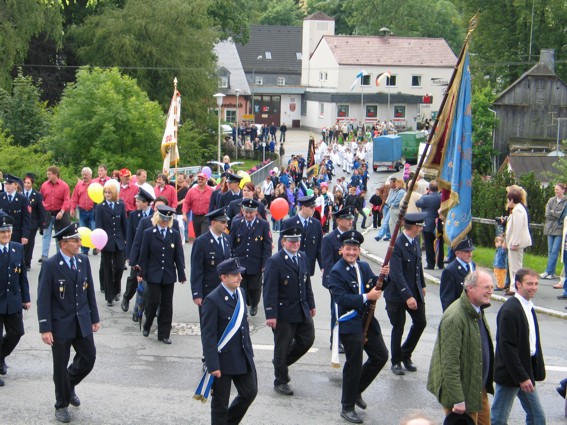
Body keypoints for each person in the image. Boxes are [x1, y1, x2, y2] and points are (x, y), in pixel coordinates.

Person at [37, 222, 100, 423]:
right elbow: (43, 298)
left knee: (89, 357)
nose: (80, 243)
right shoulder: (51, 265)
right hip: (60, 325)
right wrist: (45, 327)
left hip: (81, 320)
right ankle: (61, 404)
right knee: (60, 365)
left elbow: (89, 290)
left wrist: (94, 317)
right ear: (64, 244)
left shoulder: (82, 261)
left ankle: (68, 383)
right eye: (76, 240)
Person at [327, 230, 390, 424]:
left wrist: (384, 277)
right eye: (348, 249)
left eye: (355, 249)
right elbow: (342, 299)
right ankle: (347, 406)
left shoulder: (363, 266)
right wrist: (366, 297)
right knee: (354, 363)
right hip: (349, 320)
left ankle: (356, 390)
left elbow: (375, 286)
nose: (352, 252)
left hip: (366, 319)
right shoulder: (336, 272)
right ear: (341, 250)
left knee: (381, 355)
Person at [427, 270, 494, 425]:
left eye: (491, 287)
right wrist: (457, 399)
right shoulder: (455, 317)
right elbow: (449, 363)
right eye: (486, 287)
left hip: (477, 386)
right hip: (461, 392)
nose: (490, 290)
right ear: (470, 288)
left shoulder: (477, 310)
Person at [197, 257, 257, 424]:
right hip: (222, 360)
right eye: (235, 274)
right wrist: (212, 364)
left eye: (240, 273)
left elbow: (243, 326)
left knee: (250, 392)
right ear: (223, 277)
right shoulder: (212, 300)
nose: (240, 277)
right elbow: (208, 335)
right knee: (220, 404)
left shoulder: (241, 293)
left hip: (242, 355)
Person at [263, 226, 316, 396]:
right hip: (283, 312)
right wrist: (271, 314)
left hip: (301, 308)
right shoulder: (275, 261)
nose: (295, 243)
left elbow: (306, 283)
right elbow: (269, 289)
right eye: (291, 240)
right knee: (282, 346)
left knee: (307, 339)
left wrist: (312, 304)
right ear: (283, 241)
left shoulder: (302, 257)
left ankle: (280, 362)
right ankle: (281, 380)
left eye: (297, 240)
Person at [491, 268, 546, 425]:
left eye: (536, 284)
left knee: (538, 417)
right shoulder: (510, 310)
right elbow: (507, 347)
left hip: (525, 371)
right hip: (511, 373)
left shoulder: (529, 307)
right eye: (529, 283)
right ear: (518, 285)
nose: (533, 287)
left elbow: (532, 342)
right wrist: (522, 377)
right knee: (499, 419)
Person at [385, 212, 427, 375]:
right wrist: (408, 296)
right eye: (421, 226)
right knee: (398, 327)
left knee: (420, 322)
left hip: (414, 289)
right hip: (397, 294)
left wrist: (422, 284)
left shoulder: (415, 241)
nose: (422, 229)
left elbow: (418, 265)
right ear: (415, 227)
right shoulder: (396, 244)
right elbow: (396, 274)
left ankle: (405, 353)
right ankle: (396, 361)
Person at [138, 205, 186, 344]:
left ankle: (164, 333)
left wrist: (181, 274)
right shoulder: (149, 233)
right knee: (153, 301)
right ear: (158, 218)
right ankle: (147, 324)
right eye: (163, 218)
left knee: (166, 304)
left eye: (168, 219)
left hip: (168, 274)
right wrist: (141, 273)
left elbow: (179, 256)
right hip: (153, 273)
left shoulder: (174, 234)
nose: (165, 221)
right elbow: (144, 255)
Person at [0, 213, 31, 387]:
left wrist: (26, 298)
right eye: (2, 232)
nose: (5, 235)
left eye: (8, 231)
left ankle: (1, 356)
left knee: (17, 332)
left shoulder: (17, 248)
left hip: (12, 300)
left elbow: (22, 277)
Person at [230, 199, 272, 316]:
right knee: (242, 287)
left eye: (251, 212)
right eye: (246, 212)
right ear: (243, 211)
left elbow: (267, 246)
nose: (248, 215)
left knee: (255, 287)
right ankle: (243, 305)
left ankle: (254, 304)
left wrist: (265, 263)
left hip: (256, 262)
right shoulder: (236, 223)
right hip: (240, 262)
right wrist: (231, 260)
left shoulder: (263, 224)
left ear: (256, 212)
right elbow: (231, 243)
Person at [322, 206, 355, 352]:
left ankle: (348, 337)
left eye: (351, 219)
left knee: (350, 309)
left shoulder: (352, 237)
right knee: (337, 309)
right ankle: (335, 339)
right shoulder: (329, 239)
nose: (350, 222)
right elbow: (327, 263)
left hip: (351, 280)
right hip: (336, 281)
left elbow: (356, 259)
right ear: (338, 220)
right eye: (347, 219)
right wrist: (331, 283)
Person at [190, 208, 232, 308]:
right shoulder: (201, 241)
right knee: (208, 321)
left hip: (226, 289)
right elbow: (196, 269)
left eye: (226, 222)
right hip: (208, 290)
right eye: (222, 222)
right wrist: (197, 293)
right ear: (213, 223)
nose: (226, 225)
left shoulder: (227, 239)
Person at [122, 188, 154, 317]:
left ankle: (139, 309)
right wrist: (129, 256)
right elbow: (130, 237)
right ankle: (126, 297)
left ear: (145, 203)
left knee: (146, 283)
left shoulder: (154, 215)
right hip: (138, 253)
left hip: (150, 254)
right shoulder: (134, 215)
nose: (136, 203)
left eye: (138, 201)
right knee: (133, 280)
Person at [95, 182, 127, 306]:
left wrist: (126, 239)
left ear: (114, 193)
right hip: (106, 242)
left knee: (119, 267)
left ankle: (115, 289)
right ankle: (109, 296)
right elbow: (98, 226)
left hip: (119, 241)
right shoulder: (100, 207)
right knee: (107, 269)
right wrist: (98, 243)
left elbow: (124, 224)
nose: (107, 194)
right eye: (105, 192)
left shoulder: (120, 205)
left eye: (109, 192)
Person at [279, 195, 323, 277]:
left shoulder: (316, 224)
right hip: (290, 266)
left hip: (308, 266)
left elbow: (319, 247)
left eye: (314, 207)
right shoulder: (289, 223)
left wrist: (322, 266)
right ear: (303, 207)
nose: (314, 209)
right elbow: (281, 246)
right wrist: (281, 265)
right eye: (311, 207)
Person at [40, 166, 71, 262]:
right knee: (46, 234)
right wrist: (42, 207)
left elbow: (66, 200)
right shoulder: (44, 185)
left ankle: (59, 255)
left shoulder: (64, 186)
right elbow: (40, 198)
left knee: (59, 235)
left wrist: (62, 211)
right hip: (47, 212)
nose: (47, 175)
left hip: (59, 213)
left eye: (49, 174)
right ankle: (44, 256)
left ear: (55, 174)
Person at [504, 188, 532, 295]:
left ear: (512, 200)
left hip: (517, 243)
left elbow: (518, 228)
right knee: (512, 265)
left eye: (508, 200)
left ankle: (516, 287)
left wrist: (515, 242)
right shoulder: (516, 209)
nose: (507, 202)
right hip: (513, 242)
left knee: (515, 266)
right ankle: (513, 285)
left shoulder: (518, 210)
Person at [439, 238, 476, 311]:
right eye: (467, 252)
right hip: (459, 311)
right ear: (457, 253)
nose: (470, 254)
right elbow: (447, 299)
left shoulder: (472, 265)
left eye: (471, 251)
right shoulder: (450, 271)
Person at [541, 183, 567, 280]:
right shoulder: (551, 200)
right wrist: (556, 213)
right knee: (550, 250)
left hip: (559, 229)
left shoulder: (566, 201)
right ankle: (550, 271)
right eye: (555, 189)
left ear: (563, 190)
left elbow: (564, 215)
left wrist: (554, 212)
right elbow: (547, 213)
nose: (556, 191)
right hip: (550, 227)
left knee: (555, 251)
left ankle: (549, 271)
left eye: (558, 189)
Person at [415, 180, 442, 270]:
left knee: (429, 244)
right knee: (439, 243)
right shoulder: (441, 197)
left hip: (428, 224)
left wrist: (426, 194)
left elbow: (417, 203)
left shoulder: (426, 198)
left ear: (429, 189)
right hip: (439, 223)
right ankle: (440, 263)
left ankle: (431, 264)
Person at [70, 167, 95, 255]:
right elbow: (74, 198)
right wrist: (72, 208)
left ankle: (95, 246)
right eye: (83, 174)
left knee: (94, 229)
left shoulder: (95, 185)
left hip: (93, 210)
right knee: (83, 231)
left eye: (86, 175)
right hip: (82, 210)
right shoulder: (79, 185)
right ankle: (85, 250)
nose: (84, 176)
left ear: (90, 175)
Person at [22, 173, 45, 271]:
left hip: (33, 224)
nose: (27, 185)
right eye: (25, 183)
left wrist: (42, 224)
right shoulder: (20, 194)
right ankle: (20, 261)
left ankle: (27, 263)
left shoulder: (37, 195)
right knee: (21, 244)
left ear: (32, 184)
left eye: (28, 183)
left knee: (29, 244)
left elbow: (41, 210)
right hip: (22, 223)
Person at [0, 174, 30, 247]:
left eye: (10, 184)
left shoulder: (23, 199)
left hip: (17, 233)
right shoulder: (1, 197)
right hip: (2, 233)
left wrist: (25, 235)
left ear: (16, 185)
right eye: (6, 184)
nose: (7, 186)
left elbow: (27, 218)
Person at [182, 172, 213, 239]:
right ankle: (199, 248)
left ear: (206, 180)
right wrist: (184, 214)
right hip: (195, 216)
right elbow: (186, 203)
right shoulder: (191, 191)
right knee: (198, 235)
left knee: (204, 234)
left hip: (206, 216)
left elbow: (215, 203)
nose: (200, 180)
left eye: (202, 179)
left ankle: (205, 248)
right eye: (199, 179)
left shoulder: (211, 191)